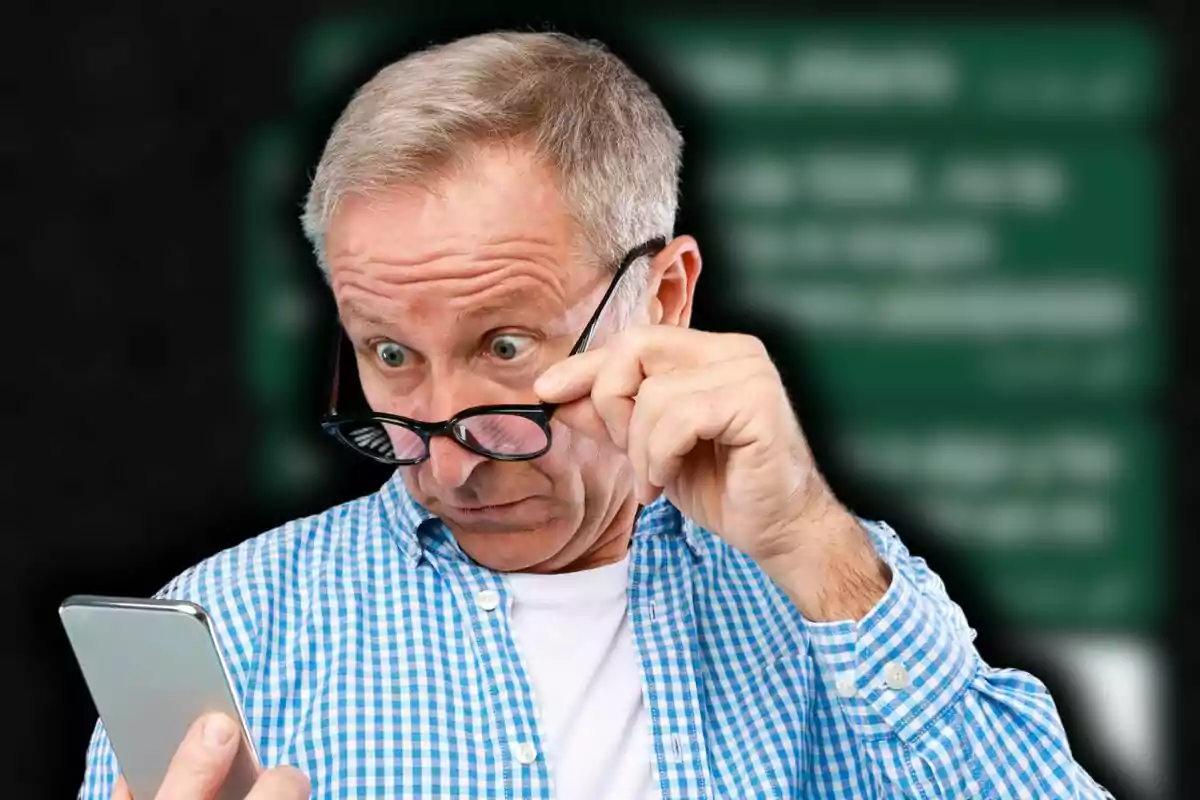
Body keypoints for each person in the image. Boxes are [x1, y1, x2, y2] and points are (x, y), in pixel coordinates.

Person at [79, 30, 1114, 800]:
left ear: (663, 297)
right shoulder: (236, 628)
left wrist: (814, 546)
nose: (446, 462)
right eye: (390, 354)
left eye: (504, 346)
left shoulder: (837, 599)